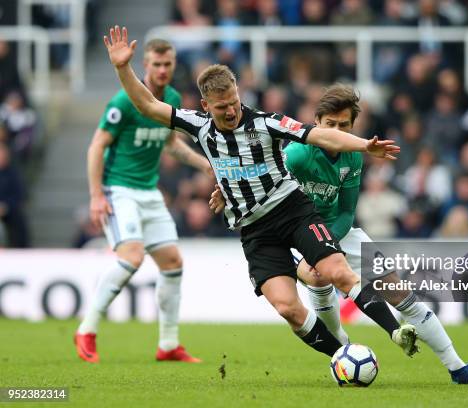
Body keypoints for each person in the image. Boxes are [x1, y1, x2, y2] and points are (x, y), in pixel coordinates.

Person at [103, 26, 416, 359]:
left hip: (292, 210)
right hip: (255, 229)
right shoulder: (197, 125)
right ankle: (344, 356)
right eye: (222, 106)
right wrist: (123, 67)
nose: (231, 110)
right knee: (288, 308)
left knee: (337, 270)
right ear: (206, 105)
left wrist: (365, 146)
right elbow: (149, 106)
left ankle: (395, 331)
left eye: (234, 102)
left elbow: (322, 136)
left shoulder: (268, 122)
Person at [211, 83, 468, 384]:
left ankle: (458, 367)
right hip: (293, 231)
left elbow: (348, 211)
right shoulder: (297, 154)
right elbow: (260, 182)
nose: (338, 130)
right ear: (317, 123)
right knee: (320, 280)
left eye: (344, 125)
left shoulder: (353, 156)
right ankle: (345, 357)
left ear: (353, 125)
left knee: (398, 290)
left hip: (338, 231)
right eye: (331, 124)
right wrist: (226, 191)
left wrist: (329, 244)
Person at [75, 38, 211, 364]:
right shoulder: (124, 102)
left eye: (168, 64)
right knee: (132, 257)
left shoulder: (173, 99)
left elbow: (172, 145)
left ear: (173, 64)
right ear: (145, 65)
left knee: (173, 263)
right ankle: (87, 329)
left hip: (149, 193)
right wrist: (96, 195)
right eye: (156, 64)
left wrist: (205, 163)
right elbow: (96, 146)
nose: (163, 70)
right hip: (118, 190)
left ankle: (168, 345)